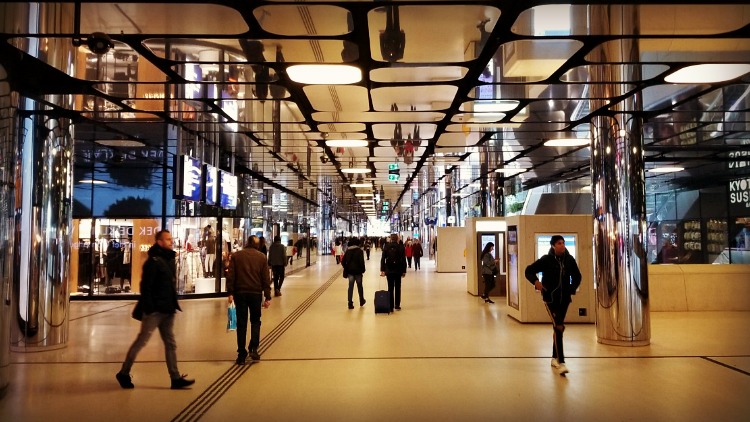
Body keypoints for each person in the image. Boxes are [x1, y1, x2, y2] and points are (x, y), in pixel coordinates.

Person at [116, 230, 195, 390]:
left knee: (170, 343)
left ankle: (175, 377)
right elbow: (146, 286)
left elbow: (169, 285)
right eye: (168, 239)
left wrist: (172, 303)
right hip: (155, 310)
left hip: (167, 308)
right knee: (141, 341)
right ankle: (124, 372)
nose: (171, 241)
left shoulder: (169, 258)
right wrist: (150, 307)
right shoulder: (153, 261)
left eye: (171, 238)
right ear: (159, 242)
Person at [524, 235, 581, 376]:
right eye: (559, 243)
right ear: (553, 246)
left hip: (565, 299)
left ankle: (554, 358)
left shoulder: (569, 259)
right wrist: (536, 282)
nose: (562, 245)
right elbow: (529, 270)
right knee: (559, 326)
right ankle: (561, 362)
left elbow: (577, 276)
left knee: (558, 328)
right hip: (550, 299)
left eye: (563, 243)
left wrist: (571, 288)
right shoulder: (546, 260)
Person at [227, 235, 272, 364]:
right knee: (255, 321)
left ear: (247, 242)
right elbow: (265, 279)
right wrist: (267, 296)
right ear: (257, 245)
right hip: (255, 293)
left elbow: (231, 275)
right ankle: (254, 348)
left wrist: (230, 292)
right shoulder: (262, 257)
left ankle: (241, 353)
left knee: (241, 323)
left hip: (240, 293)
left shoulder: (237, 256)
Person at [380, 233, 407, 311]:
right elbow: (403, 259)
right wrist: (404, 270)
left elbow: (383, 259)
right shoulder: (401, 247)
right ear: (397, 238)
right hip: (398, 270)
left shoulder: (386, 246)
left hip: (389, 270)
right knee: (398, 287)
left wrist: (383, 270)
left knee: (390, 288)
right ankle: (397, 305)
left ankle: (391, 306)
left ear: (391, 239)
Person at [341, 238, 366, 309]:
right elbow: (362, 262)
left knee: (350, 287)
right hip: (358, 272)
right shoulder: (359, 251)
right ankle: (361, 300)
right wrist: (363, 270)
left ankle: (350, 303)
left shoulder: (348, 251)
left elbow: (343, 261)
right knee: (360, 286)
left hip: (350, 272)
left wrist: (346, 267)